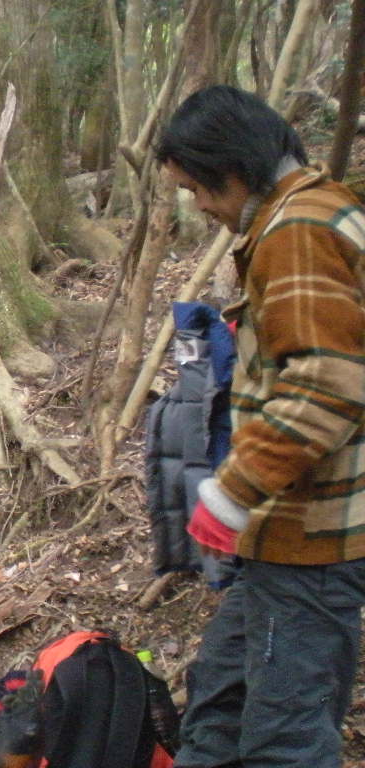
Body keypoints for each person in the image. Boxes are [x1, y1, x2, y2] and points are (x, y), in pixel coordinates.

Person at [157, 85, 365, 767]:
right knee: (220, 700)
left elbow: (327, 383)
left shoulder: (299, 230)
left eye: (197, 188)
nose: (202, 207)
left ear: (234, 167)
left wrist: (233, 490)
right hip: (285, 534)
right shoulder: (313, 212)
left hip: (312, 539)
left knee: (286, 738)